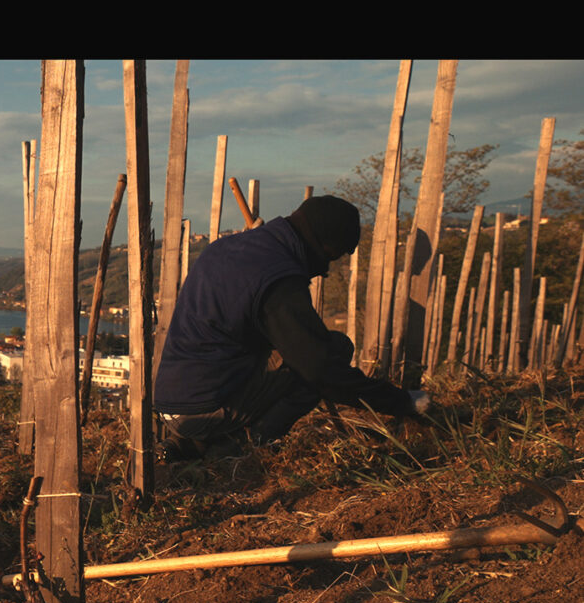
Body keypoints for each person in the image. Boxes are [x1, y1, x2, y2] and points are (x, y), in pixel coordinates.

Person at [154, 195, 428, 460]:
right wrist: (402, 402)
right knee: (333, 351)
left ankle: (197, 442)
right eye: (333, 257)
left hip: (174, 402)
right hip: (203, 407)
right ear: (325, 246)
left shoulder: (231, 248)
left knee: (307, 353)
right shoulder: (278, 279)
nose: (326, 271)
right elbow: (322, 370)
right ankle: (244, 448)